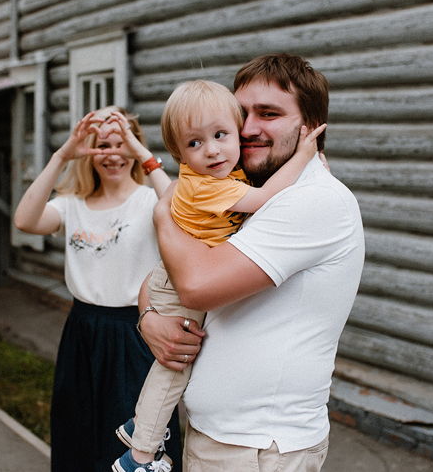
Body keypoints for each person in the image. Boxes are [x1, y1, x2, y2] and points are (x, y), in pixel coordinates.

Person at [139, 54, 365, 472]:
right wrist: (150, 317)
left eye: (269, 114)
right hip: (221, 439)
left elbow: (196, 286)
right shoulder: (238, 188)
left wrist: (161, 215)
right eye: (242, 114)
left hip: (260, 449)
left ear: (311, 126)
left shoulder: (313, 200)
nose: (247, 129)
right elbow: (170, 272)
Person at [109, 80, 325, 472]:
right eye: (195, 143)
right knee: (174, 369)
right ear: (180, 153)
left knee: (174, 364)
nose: (211, 150)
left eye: (222, 135)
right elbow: (262, 199)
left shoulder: (217, 173)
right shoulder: (206, 185)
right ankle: (139, 454)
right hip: (177, 282)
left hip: (171, 276)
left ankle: (140, 427)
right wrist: (304, 157)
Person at [13, 106, 182, 472]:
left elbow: (180, 210)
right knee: (78, 435)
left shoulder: (149, 200)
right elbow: (24, 220)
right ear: (89, 152)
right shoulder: (71, 205)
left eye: (122, 144)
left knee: (135, 441)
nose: (112, 154)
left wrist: (141, 152)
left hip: (135, 334)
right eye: (103, 145)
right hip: (82, 331)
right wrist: (62, 155)